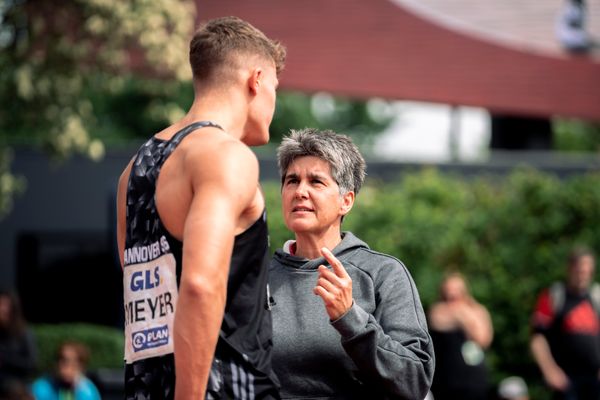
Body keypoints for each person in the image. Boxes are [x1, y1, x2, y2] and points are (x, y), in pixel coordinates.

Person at [115, 16, 286, 399]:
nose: (275, 102)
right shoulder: (226, 156)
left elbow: (138, 285)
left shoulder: (133, 170)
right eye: (275, 86)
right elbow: (199, 284)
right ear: (256, 80)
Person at [268, 128, 434, 399]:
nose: (300, 191)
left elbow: (414, 382)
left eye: (316, 182)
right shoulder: (258, 278)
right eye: (292, 181)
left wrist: (350, 318)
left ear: (346, 201)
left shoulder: (383, 274)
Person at [530, 247, 600, 400]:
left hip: (595, 380)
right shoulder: (554, 296)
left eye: (587, 272)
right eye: (580, 271)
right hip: (566, 380)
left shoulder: (596, 297)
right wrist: (549, 370)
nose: (583, 276)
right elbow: (538, 339)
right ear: (570, 269)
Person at [428, 272, 493, 400]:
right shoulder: (437, 310)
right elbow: (437, 321)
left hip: (473, 378)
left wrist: (461, 317)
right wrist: (467, 320)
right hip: (446, 378)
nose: (453, 294)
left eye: (457, 290)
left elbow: (484, 339)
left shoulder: (479, 310)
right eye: (449, 290)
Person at [31, 341, 100, 400]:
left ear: (81, 367)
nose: (66, 368)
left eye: (73, 364)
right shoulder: (40, 388)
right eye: (62, 360)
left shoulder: (88, 391)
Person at [0, 290, 36, 399]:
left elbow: (31, 363)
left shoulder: (23, 332)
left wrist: (5, 358)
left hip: (16, 386)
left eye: (4, 305)